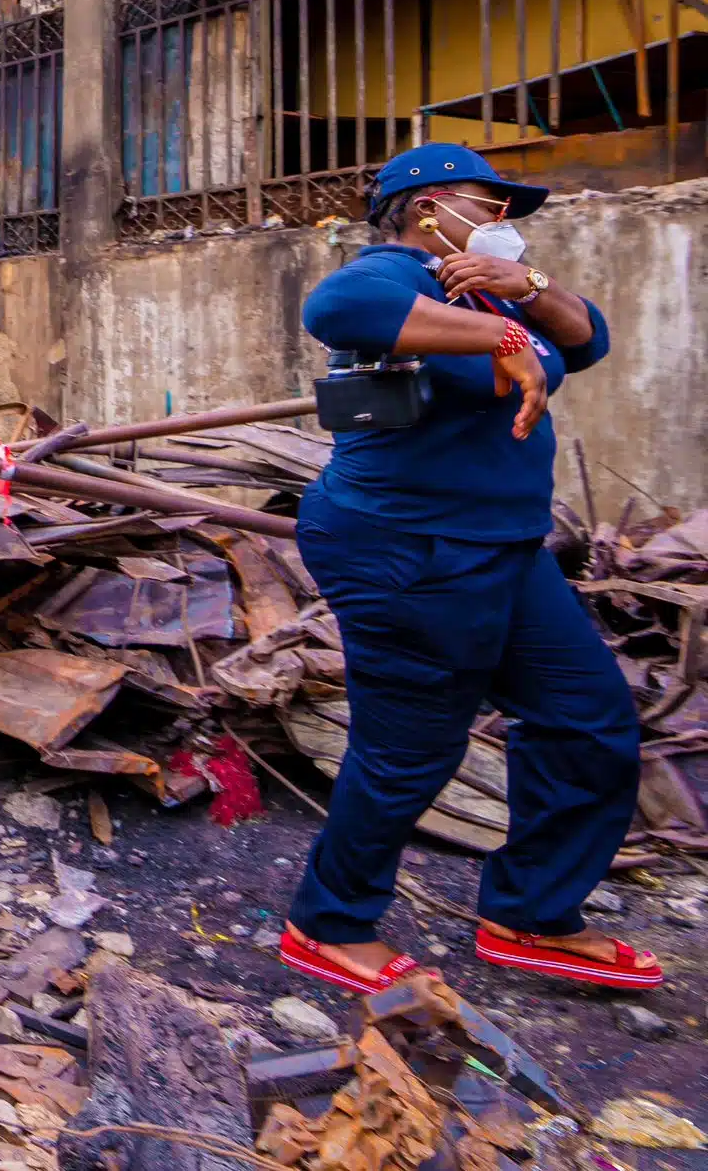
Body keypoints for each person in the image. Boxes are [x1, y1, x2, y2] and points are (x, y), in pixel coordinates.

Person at [279, 144, 657, 994]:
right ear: (427, 210)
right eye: (489, 207)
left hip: (504, 546)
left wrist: (524, 295)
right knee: (411, 745)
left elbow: (587, 339)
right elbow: (333, 306)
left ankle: (532, 912)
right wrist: (501, 332)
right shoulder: (388, 277)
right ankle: (327, 921)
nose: (504, 225)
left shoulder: (483, 286)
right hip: (406, 546)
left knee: (588, 721)